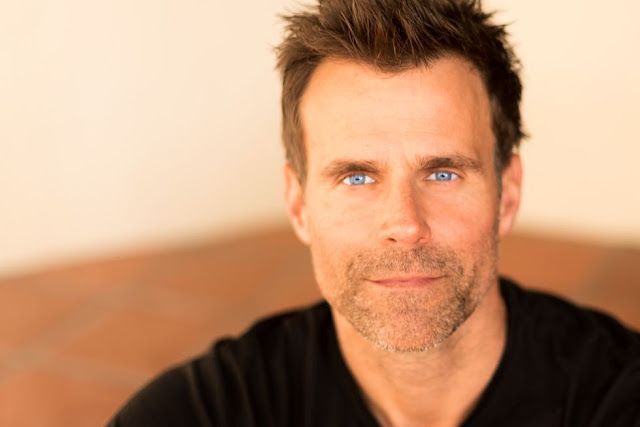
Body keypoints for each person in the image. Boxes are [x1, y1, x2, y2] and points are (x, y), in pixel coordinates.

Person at [108, 0, 640, 425]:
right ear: (298, 204)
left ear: (508, 194)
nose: (405, 225)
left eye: (443, 173)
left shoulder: (616, 396)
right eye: (357, 177)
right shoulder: (201, 413)